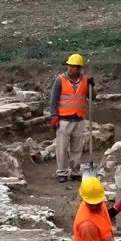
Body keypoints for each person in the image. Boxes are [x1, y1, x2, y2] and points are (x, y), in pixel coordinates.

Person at [49, 53, 95, 183]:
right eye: (69, 66)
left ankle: (75, 172)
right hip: (64, 119)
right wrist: (53, 116)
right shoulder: (60, 80)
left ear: (79, 68)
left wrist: (92, 86)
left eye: (73, 66)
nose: (70, 68)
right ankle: (62, 172)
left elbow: (92, 97)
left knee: (76, 148)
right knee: (62, 148)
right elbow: (53, 100)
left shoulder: (85, 80)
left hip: (79, 119)